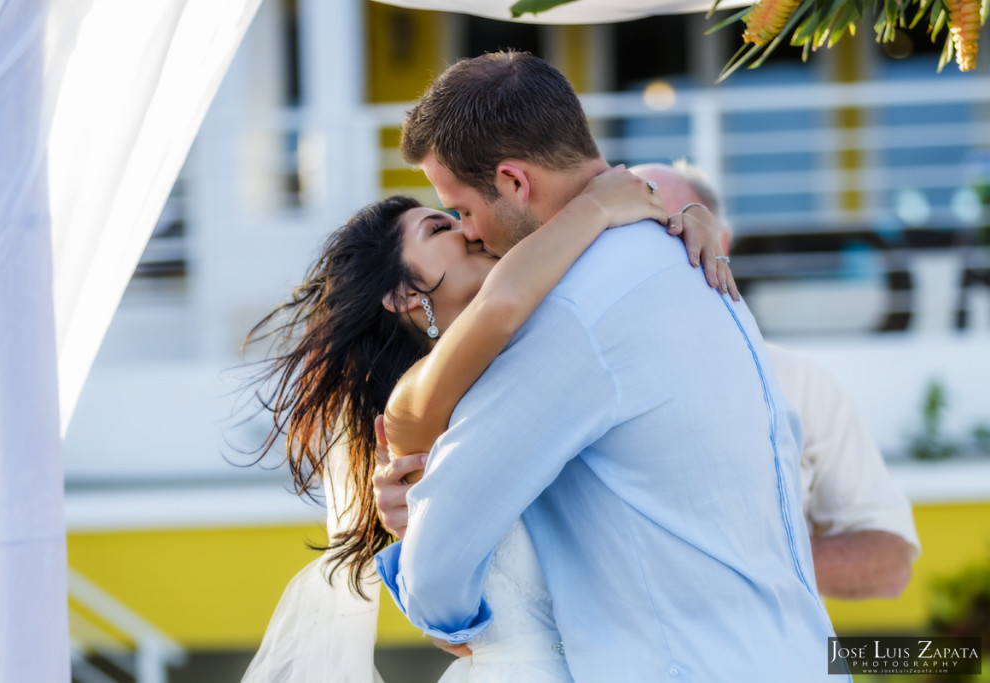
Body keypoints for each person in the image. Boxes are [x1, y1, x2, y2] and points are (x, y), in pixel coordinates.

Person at [374, 51, 845, 682]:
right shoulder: (690, 260)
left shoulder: (569, 314)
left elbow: (437, 568)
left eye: (461, 209)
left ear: (514, 181)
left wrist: (447, 604)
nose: (471, 231)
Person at [240, 168, 733, 682]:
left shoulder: (538, 350)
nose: (468, 230)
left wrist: (687, 221)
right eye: (438, 229)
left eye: (459, 218)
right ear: (404, 295)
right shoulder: (412, 406)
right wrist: (595, 208)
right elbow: (455, 627)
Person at [626, 162, 921, 600]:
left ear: (719, 243)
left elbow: (890, 558)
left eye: (674, 231)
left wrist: (747, 561)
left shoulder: (800, 381)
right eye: (627, 239)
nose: (649, 257)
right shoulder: (582, 380)